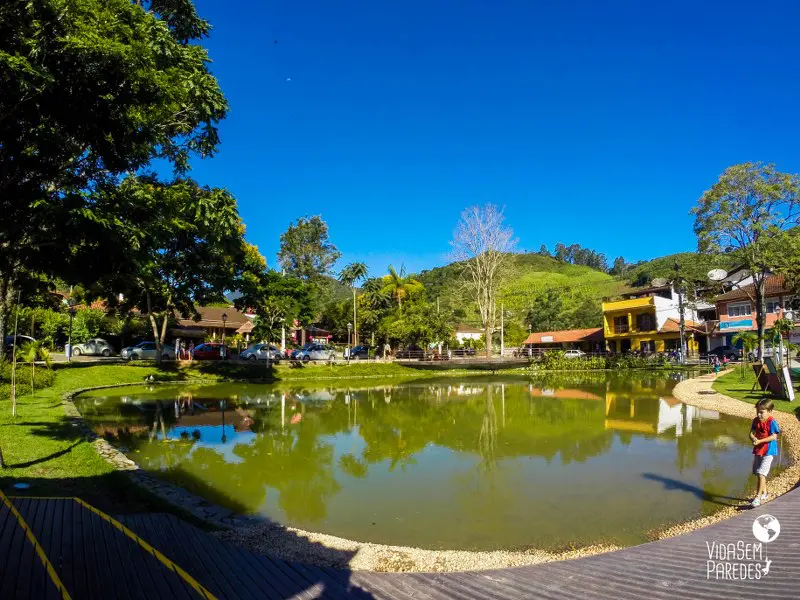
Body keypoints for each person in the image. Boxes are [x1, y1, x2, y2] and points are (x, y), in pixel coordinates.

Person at [749, 399, 781, 507]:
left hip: (768, 451)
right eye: (757, 411)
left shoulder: (772, 422)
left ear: (770, 411)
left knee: (761, 473)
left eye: (761, 412)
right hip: (759, 450)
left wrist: (760, 441)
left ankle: (757, 498)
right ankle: (765, 493)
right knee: (758, 473)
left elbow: (774, 436)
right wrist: (752, 438)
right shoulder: (755, 420)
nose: (759, 414)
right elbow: (751, 433)